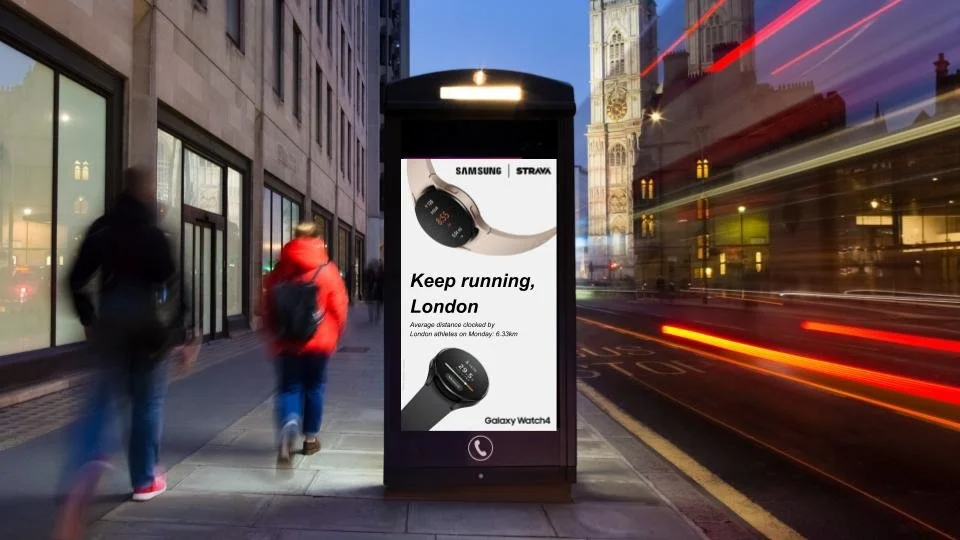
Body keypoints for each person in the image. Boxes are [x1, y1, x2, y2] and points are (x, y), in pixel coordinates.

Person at [54, 166, 199, 540]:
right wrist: (182, 336)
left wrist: (88, 318)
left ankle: (87, 464)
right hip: (148, 330)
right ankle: (144, 479)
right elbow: (176, 289)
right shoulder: (155, 235)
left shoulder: (102, 230)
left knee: (101, 401)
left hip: (112, 324)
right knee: (148, 403)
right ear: (148, 193)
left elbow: (75, 280)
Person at [261, 222, 349, 464]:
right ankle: (310, 439)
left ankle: (288, 423)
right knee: (314, 387)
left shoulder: (280, 268)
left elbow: (267, 305)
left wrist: (271, 332)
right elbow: (339, 307)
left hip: (287, 340)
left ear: (295, 237)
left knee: (289, 387)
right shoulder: (327, 269)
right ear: (318, 238)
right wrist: (337, 332)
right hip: (319, 342)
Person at [364, 259, 383, 324]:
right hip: (375, 291)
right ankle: (375, 317)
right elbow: (374, 282)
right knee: (375, 305)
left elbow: (369, 282)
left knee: (373, 305)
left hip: (374, 291)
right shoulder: (374, 273)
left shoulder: (372, 273)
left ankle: (373, 317)